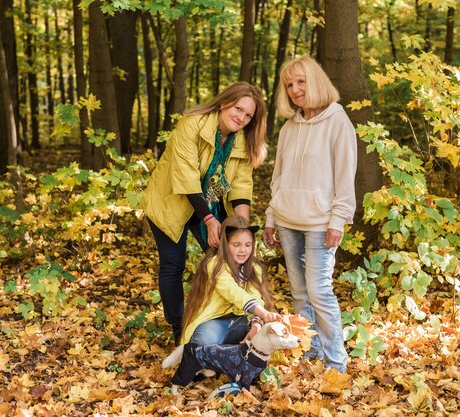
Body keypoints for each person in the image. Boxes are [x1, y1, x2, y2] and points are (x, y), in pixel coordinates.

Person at [143, 82, 267, 342]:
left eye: (248, 115)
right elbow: (186, 177)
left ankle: (230, 322)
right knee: (172, 265)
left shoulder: (242, 139)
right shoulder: (192, 123)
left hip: (209, 201)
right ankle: (180, 332)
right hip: (170, 200)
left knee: (230, 259)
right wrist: (210, 220)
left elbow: (241, 184)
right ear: (224, 103)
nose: (241, 118)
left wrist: (241, 228)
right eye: (238, 109)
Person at [262, 56, 357, 372]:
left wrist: (338, 219)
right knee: (300, 294)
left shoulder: (337, 121)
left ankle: (335, 362)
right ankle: (311, 352)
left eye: (300, 81)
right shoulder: (290, 127)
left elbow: (345, 175)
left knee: (319, 293)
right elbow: (280, 177)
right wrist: (271, 218)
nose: (295, 89)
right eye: (289, 85)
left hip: (320, 223)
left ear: (315, 81)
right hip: (288, 220)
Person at [180, 215, 280, 346]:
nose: (243, 250)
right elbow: (232, 291)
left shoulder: (254, 268)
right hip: (214, 321)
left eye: (248, 245)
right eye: (236, 245)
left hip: (242, 321)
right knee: (202, 340)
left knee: (270, 329)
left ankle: (238, 353)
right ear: (225, 244)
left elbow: (255, 294)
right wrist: (261, 312)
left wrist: (257, 323)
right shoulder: (214, 264)